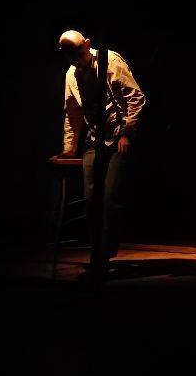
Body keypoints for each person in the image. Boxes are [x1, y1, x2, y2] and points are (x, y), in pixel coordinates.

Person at [56, 30, 147, 278]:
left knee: (110, 196)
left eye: (78, 53)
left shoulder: (110, 62)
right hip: (95, 139)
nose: (75, 59)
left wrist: (127, 133)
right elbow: (72, 112)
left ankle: (102, 255)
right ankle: (98, 251)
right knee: (90, 197)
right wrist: (69, 147)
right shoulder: (71, 75)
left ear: (87, 45)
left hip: (118, 135)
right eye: (70, 55)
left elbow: (136, 98)